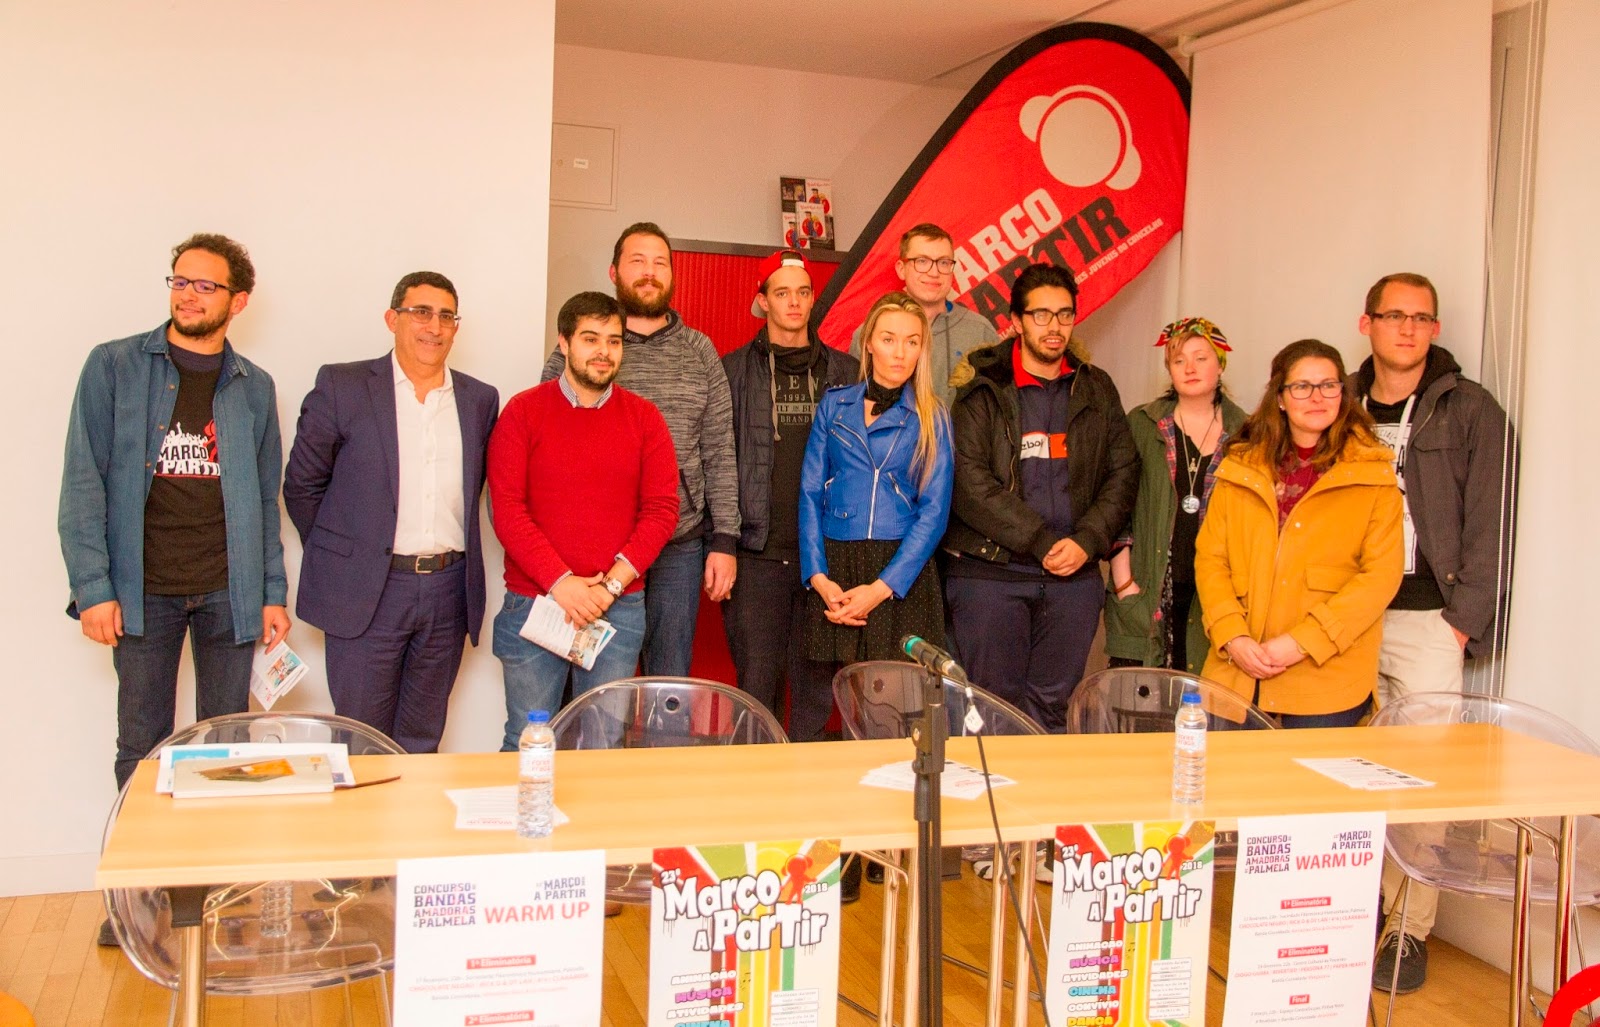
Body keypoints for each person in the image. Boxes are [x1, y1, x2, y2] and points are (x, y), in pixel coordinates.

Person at [59, 233, 289, 946]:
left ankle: (207, 892)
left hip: (229, 592)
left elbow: (266, 499)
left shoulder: (254, 386)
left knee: (225, 752)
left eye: (205, 285)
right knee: (142, 749)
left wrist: (271, 591)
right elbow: (83, 480)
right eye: (180, 281)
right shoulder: (114, 366)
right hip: (142, 593)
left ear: (237, 301)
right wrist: (93, 586)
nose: (188, 295)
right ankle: (136, 900)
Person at [1352, 273, 1517, 993]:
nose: (1408, 328)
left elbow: (1492, 522)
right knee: (1346, 767)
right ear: (1367, 324)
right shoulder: (1340, 404)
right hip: (1347, 618)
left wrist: (1461, 624)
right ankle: (1348, 907)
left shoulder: (1470, 409)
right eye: (1395, 315)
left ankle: (1406, 928)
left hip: (1428, 621)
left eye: (1421, 317)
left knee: (1422, 780)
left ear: (1435, 328)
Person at [282, 272, 499, 753]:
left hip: (447, 590)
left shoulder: (479, 400)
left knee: (422, 739)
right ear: (392, 319)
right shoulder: (343, 386)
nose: (434, 326)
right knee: (361, 740)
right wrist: (345, 554)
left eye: (446, 316)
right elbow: (302, 485)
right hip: (368, 591)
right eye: (421, 312)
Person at [942, 263, 1138, 731]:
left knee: (1050, 712)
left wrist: (1087, 541)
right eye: (1041, 315)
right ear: (1016, 321)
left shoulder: (1096, 387)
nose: (1055, 326)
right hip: (992, 575)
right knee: (990, 710)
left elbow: (1123, 471)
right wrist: (1041, 540)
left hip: (1074, 578)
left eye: (1065, 314)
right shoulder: (981, 388)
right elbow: (969, 483)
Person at [542, 223, 738, 676]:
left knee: (668, 678)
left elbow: (719, 448)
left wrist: (724, 539)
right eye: (637, 261)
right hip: (597, 545)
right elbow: (549, 433)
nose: (649, 272)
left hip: (678, 545)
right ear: (614, 272)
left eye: (660, 263)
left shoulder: (699, 351)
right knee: (594, 678)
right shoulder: (585, 347)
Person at [491, 291, 679, 749]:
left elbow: (661, 511)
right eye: (591, 339)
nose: (604, 351)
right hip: (536, 604)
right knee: (528, 740)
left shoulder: (645, 418)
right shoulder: (522, 412)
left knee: (602, 745)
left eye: (614, 341)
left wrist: (608, 587)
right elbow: (507, 509)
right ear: (564, 343)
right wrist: (562, 583)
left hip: (617, 608)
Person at [1194, 339, 1404, 727]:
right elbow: (1211, 559)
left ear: (1343, 394)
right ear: (1280, 397)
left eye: (1328, 385)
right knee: (1219, 767)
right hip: (1237, 668)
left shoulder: (1373, 474)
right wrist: (1231, 635)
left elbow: (1380, 577)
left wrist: (1303, 642)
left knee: (1309, 770)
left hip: (1326, 675)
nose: (1317, 397)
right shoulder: (1240, 466)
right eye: (1302, 386)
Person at [721, 250, 857, 732]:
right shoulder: (732, 371)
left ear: (813, 299)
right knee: (757, 690)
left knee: (817, 692)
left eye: (802, 292)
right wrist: (722, 542)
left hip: (826, 556)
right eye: (782, 293)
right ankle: (759, 778)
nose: (794, 302)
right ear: (763, 301)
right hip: (757, 554)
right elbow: (718, 461)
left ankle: (810, 779)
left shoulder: (847, 372)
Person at [801, 291, 954, 686]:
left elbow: (934, 513)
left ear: (922, 349)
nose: (900, 352)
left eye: (912, 341)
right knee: (830, 696)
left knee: (897, 701)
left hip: (900, 572)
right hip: (835, 566)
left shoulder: (933, 416)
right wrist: (818, 576)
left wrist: (881, 588)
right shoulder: (834, 405)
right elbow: (810, 493)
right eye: (889, 339)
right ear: (868, 343)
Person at [1105, 318, 1248, 673]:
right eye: (1178, 360)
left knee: (1205, 696)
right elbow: (1115, 504)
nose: (1190, 368)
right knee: (1140, 698)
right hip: (1147, 589)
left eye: (1201, 358)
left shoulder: (1247, 432)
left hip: (1216, 594)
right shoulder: (1142, 423)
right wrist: (1124, 582)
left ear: (1220, 364)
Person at [851, 223, 998, 403]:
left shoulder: (980, 331)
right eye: (922, 261)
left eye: (943, 262)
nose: (934, 272)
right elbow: (854, 403)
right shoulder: (870, 333)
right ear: (901, 269)